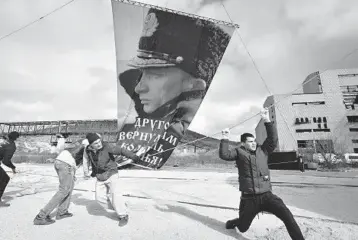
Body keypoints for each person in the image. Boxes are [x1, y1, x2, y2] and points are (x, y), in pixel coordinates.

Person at [219, 108, 305, 240]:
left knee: (287, 216)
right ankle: (236, 222)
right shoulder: (238, 153)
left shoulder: (263, 150)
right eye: (250, 142)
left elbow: (272, 139)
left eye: (254, 141)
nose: (253, 143)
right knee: (243, 227)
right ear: (243, 143)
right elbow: (224, 155)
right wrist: (225, 138)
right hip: (249, 199)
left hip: (267, 196)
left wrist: (266, 120)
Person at [82, 133, 144, 226]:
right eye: (96, 143)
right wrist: (86, 172)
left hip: (111, 173)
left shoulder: (107, 146)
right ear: (90, 145)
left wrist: (133, 156)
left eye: (99, 141)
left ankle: (123, 215)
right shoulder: (87, 150)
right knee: (99, 199)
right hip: (100, 175)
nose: (99, 144)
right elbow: (86, 160)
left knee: (115, 195)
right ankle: (119, 207)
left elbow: (121, 150)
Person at [33, 134, 89, 225]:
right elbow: (85, 160)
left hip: (62, 162)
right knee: (63, 190)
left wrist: (72, 173)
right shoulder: (87, 145)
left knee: (68, 188)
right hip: (66, 165)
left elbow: (65, 153)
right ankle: (41, 216)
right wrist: (86, 174)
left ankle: (62, 212)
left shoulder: (79, 142)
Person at [0, 131, 20, 207]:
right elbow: (5, 161)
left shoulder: (3, 141)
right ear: (16, 138)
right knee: (5, 179)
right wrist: (13, 167)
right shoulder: (11, 145)